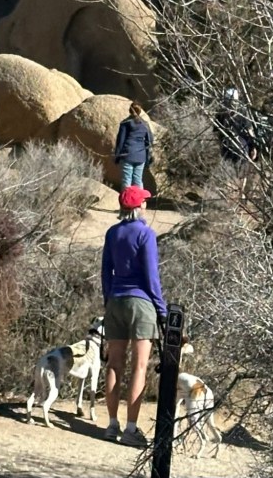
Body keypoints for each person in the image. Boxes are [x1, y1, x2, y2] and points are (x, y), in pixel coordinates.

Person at [101, 185, 167, 447]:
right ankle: (130, 428)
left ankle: (112, 424)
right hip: (141, 304)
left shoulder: (112, 233)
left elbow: (106, 272)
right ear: (139, 207)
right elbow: (152, 277)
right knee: (139, 366)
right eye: (144, 202)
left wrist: (108, 302)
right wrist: (161, 310)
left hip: (115, 301)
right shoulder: (146, 234)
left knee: (114, 364)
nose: (146, 206)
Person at [114, 101, 153, 190]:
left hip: (127, 155)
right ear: (140, 111)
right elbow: (150, 140)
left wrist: (117, 156)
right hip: (141, 155)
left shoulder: (125, 123)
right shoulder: (145, 124)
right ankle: (139, 201)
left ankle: (126, 202)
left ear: (130, 111)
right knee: (138, 180)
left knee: (126, 180)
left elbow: (120, 141)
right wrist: (147, 157)